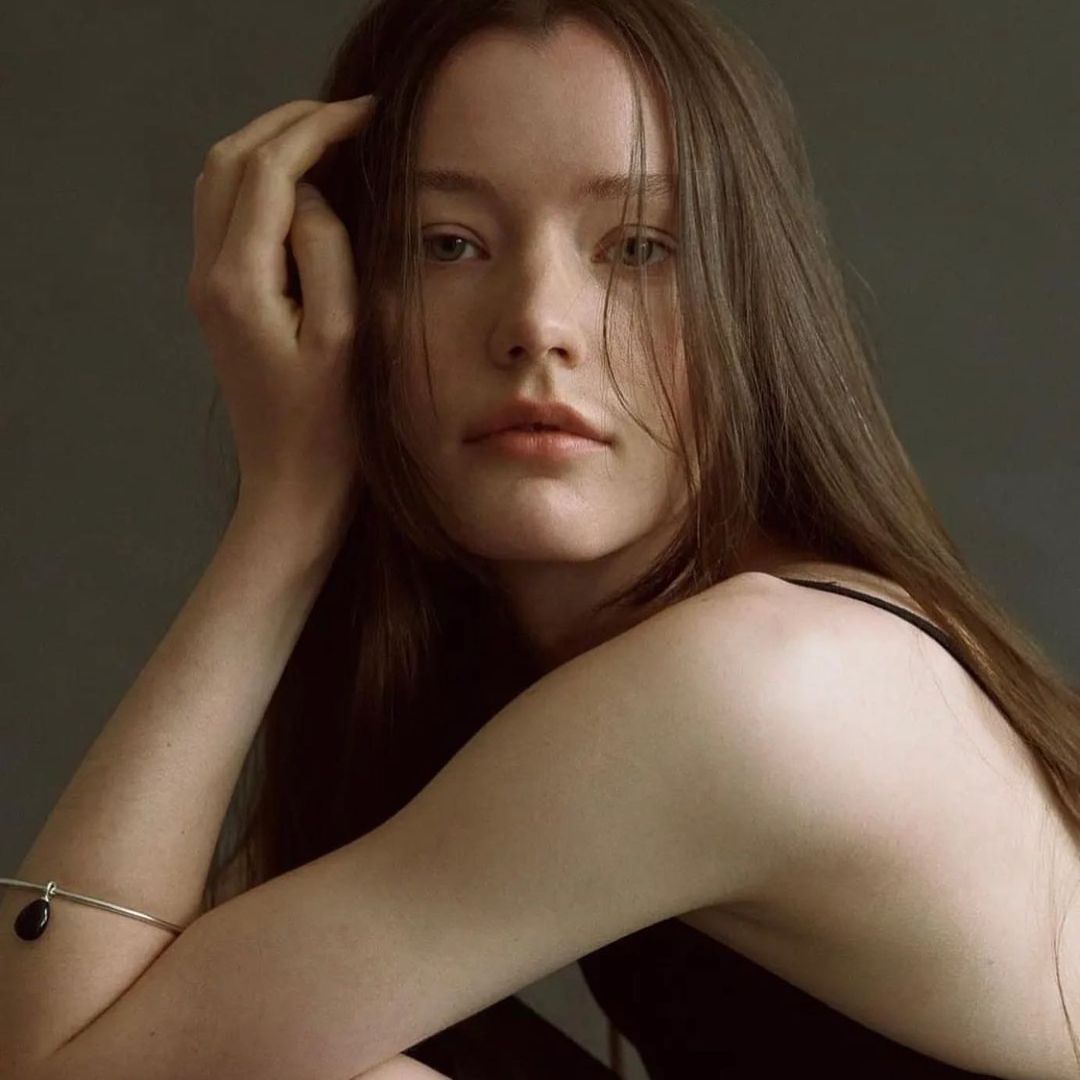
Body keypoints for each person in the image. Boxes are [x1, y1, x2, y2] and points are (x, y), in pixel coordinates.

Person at [2, 2, 1078, 1078]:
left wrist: (284, 510)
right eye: (449, 244)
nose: (538, 324)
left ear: (750, 303)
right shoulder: (501, 661)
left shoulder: (758, 682)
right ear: (339, 295)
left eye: (640, 246)